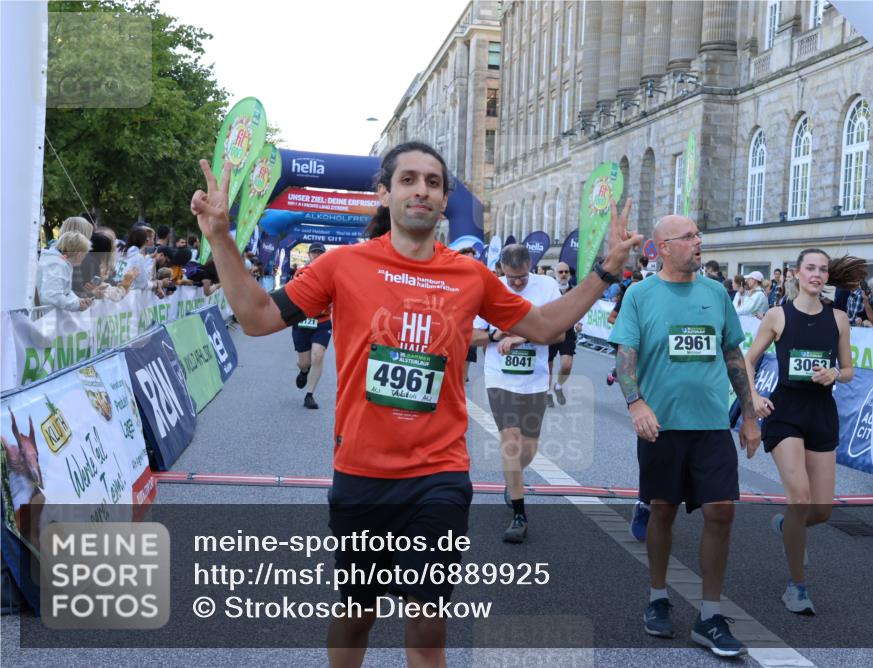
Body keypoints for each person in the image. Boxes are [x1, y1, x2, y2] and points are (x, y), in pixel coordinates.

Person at [190, 140, 642, 667]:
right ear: (383, 193)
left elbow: (543, 325)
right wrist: (220, 238)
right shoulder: (344, 266)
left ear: (446, 198)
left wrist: (606, 271)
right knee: (358, 611)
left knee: (428, 627)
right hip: (362, 472)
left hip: (438, 474)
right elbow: (258, 318)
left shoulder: (470, 275)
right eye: (408, 179)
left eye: (432, 182)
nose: (421, 190)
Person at [609, 214, 758, 658]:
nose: (699, 242)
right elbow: (625, 353)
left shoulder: (716, 293)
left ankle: (709, 615)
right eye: (689, 236)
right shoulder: (640, 294)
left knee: (721, 512)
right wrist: (636, 403)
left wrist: (748, 416)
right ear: (663, 247)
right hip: (663, 426)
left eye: (698, 234)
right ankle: (658, 596)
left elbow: (732, 352)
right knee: (662, 509)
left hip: (710, 423)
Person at [742, 248, 854, 616]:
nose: (817, 275)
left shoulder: (838, 318)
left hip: (822, 413)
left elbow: (849, 369)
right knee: (801, 499)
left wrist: (835, 373)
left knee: (820, 511)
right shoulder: (777, 315)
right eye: (811, 269)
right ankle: (797, 587)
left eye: (823, 270)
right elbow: (748, 360)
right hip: (786, 411)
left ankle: (788, 524)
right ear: (796, 273)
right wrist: (754, 396)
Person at [473, 244, 562, 543]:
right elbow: (471, 336)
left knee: (528, 447)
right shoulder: (489, 288)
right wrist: (496, 335)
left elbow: (560, 332)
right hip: (499, 376)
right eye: (512, 278)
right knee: (510, 441)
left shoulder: (547, 286)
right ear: (501, 270)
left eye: (522, 277)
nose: (518, 284)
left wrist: (521, 336)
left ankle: (513, 481)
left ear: (530, 267)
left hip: (535, 378)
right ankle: (519, 514)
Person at [290, 243, 333, 410]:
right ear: (308, 255)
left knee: (318, 355)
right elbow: (293, 295)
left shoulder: (331, 274)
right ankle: (304, 371)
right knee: (304, 362)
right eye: (314, 252)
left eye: (320, 253)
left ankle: (310, 395)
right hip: (302, 321)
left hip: (322, 322)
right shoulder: (301, 272)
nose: (317, 255)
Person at [547, 261, 583, 405]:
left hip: (567, 331)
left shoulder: (575, 291)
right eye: (560, 272)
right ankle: (547, 392)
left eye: (565, 272)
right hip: (550, 331)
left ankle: (558, 386)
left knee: (567, 364)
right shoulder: (549, 290)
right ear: (555, 273)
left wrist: (580, 323)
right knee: (547, 365)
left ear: (569, 274)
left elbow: (582, 308)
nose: (563, 275)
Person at [37, 231, 93, 311]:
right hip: (44, 317)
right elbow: (52, 296)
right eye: (85, 254)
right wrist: (76, 304)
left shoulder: (57, 262)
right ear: (79, 254)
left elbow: (65, 291)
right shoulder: (57, 264)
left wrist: (79, 301)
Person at [457, 246, 480, 382]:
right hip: (452, 328)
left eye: (472, 259)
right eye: (466, 259)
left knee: (466, 363)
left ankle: (461, 392)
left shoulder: (479, 279)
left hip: (471, 328)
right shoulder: (450, 277)